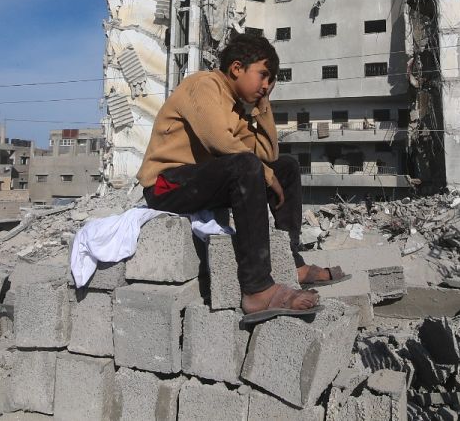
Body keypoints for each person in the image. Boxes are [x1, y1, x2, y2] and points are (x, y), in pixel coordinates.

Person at [136, 33, 347, 325]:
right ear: (237, 68)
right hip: (167, 183)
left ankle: (292, 261)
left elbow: (268, 153)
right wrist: (264, 172)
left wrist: (263, 104)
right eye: (263, 75)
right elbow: (219, 142)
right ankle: (257, 289)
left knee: (284, 167)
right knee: (248, 166)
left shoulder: (237, 110)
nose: (266, 85)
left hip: (202, 181)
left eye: (270, 81)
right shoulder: (204, 85)